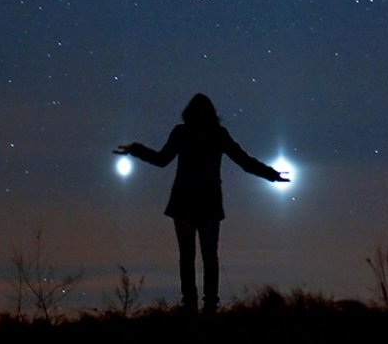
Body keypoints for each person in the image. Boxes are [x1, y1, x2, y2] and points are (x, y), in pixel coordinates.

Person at [115, 93, 288, 314]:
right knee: (209, 257)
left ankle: (191, 305)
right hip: (208, 203)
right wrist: (271, 175)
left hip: (184, 202)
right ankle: (209, 306)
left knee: (187, 257)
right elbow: (244, 161)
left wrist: (136, 150)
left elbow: (161, 160)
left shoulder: (183, 132)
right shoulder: (217, 134)